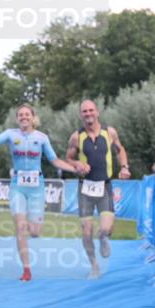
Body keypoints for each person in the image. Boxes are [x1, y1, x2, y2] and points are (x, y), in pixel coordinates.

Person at [0, 104, 83, 282]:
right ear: (17, 118)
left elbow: (55, 161)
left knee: (35, 232)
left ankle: (30, 225)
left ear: (33, 117)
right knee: (20, 227)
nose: (24, 117)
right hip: (17, 187)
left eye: (27, 114)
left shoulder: (42, 138)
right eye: (20, 115)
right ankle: (26, 270)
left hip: (37, 188)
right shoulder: (10, 134)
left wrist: (75, 169)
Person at [66, 99, 130, 279]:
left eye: (91, 110)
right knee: (86, 232)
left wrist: (124, 167)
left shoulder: (109, 132)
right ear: (81, 115)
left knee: (105, 229)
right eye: (84, 111)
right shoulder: (76, 137)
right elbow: (68, 159)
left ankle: (103, 238)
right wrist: (77, 164)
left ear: (97, 112)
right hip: (85, 188)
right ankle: (94, 266)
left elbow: (120, 150)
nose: (88, 114)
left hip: (105, 186)